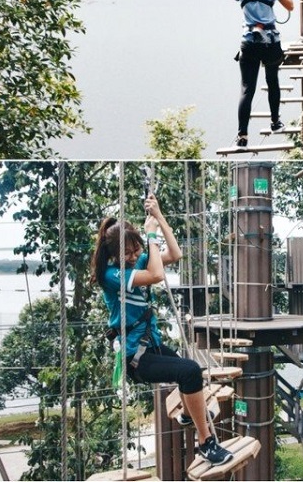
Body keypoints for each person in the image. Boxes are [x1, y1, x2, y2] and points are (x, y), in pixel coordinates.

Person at [89, 195, 234, 466]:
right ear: (113, 255)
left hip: (150, 346)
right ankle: (206, 443)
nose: (133, 258)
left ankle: (189, 415)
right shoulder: (113, 275)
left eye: (136, 251)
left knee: (190, 373)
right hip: (136, 357)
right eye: (127, 254)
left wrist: (159, 217)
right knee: (189, 370)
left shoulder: (136, 262)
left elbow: (175, 254)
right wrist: (151, 236)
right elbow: (157, 275)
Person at [233, 0, 294, 148]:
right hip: (269, 42)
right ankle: (275, 122)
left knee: (246, 89)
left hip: (249, 42)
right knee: (272, 81)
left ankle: (242, 135)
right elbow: (290, 6)